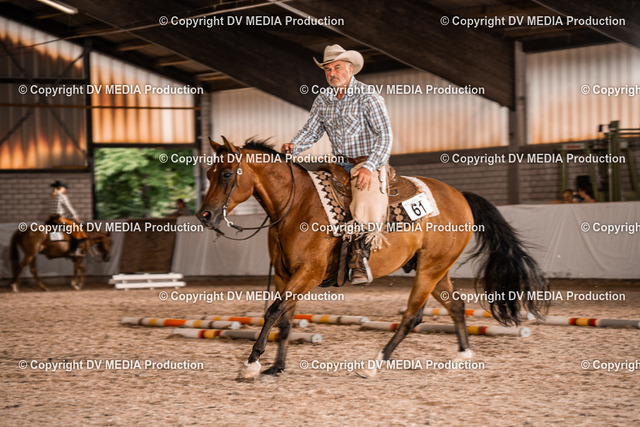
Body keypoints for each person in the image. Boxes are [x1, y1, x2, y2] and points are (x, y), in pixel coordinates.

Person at [281, 44, 393, 285]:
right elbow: (311, 131)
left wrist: (369, 167)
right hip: (338, 165)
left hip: (366, 163)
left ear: (350, 69)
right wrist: (294, 146)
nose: (332, 73)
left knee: (364, 202)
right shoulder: (323, 99)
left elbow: (385, 136)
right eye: (328, 69)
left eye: (337, 67)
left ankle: (360, 259)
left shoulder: (368, 96)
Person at [48, 180, 87, 256]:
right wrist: (75, 216)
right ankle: (74, 250)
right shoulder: (62, 196)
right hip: (59, 219)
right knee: (77, 230)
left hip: (51, 218)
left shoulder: (52, 196)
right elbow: (68, 207)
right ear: (62, 188)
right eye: (65, 188)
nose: (65, 190)